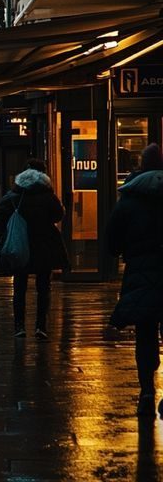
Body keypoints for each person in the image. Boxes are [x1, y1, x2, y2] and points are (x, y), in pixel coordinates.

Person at [106, 143, 163, 417]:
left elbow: (112, 243)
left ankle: (146, 392)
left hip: (141, 275)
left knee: (145, 333)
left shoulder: (129, 200)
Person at [0, 159, 68, 339]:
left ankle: (19, 326)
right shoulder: (48, 195)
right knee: (44, 287)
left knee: (20, 287)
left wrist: (2, 241)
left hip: (21, 246)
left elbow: (0, 217)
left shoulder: (14, 195)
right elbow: (58, 215)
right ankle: (40, 326)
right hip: (44, 246)